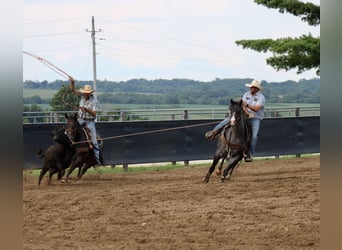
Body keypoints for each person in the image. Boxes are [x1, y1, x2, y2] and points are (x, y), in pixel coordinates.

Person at [205, 79, 266, 162]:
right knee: (228, 120)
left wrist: (247, 105)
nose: (251, 88)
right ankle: (214, 132)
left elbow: (256, 108)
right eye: (251, 87)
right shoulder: (246, 94)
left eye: (253, 87)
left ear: (257, 88)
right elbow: (242, 105)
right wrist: (247, 112)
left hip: (255, 118)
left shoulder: (261, 97)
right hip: (245, 114)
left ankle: (249, 153)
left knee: (254, 136)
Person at [69, 77, 101, 165]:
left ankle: (96, 160)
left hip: (89, 121)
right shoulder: (82, 97)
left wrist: (86, 109)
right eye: (84, 93)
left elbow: (94, 113)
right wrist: (72, 82)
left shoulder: (94, 101)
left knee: (94, 141)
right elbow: (73, 91)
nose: (85, 94)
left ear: (90, 93)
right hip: (80, 119)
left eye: (86, 93)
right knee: (69, 130)